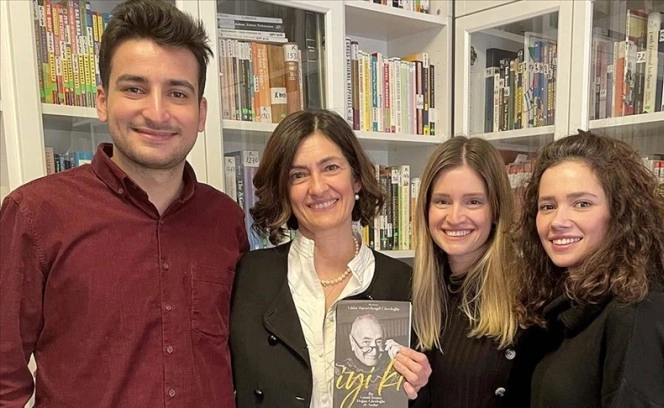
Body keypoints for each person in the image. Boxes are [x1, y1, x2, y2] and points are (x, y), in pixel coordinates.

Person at [0, 1, 249, 406]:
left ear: (201, 113)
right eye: (135, 88)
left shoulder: (226, 220)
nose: (157, 112)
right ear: (102, 101)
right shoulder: (35, 214)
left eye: (177, 93)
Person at [229, 109, 431, 407]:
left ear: (357, 178)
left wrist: (419, 383)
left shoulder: (404, 283)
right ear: (284, 190)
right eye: (298, 175)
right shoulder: (249, 276)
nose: (318, 187)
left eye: (331, 167)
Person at [516, 131, 664, 407]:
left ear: (620, 213)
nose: (558, 221)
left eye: (582, 204)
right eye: (547, 206)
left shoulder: (638, 314)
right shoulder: (565, 303)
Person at [411, 136, 539, 407]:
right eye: (442, 201)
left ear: (496, 210)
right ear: (425, 209)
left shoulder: (528, 296)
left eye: (473, 202)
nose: (455, 217)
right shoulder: (413, 295)